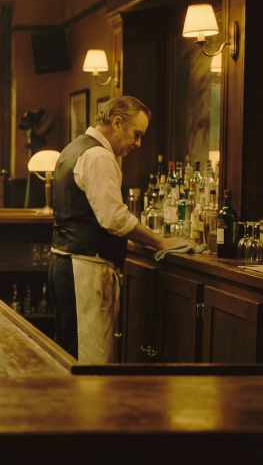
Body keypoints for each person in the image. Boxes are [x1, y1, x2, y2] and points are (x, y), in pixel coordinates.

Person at [48, 96, 187, 363]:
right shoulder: (98, 155)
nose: (138, 143)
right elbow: (114, 218)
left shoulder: (74, 147)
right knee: (90, 358)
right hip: (85, 269)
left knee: (69, 353)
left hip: (67, 264)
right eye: (136, 134)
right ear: (117, 122)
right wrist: (161, 243)